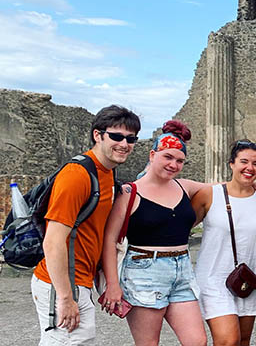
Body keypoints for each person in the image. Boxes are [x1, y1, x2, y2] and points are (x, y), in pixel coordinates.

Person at [30, 105, 140, 345]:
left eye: (131, 139)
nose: (125, 144)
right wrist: (66, 298)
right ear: (98, 135)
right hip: (62, 284)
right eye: (117, 136)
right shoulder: (77, 176)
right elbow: (53, 241)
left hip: (79, 281)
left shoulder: (108, 173)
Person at [100, 120, 207, 346]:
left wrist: (254, 186)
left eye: (179, 160)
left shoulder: (183, 186)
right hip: (144, 271)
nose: (173, 164)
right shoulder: (130, 192)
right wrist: (112, 284)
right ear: (152, 155)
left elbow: (225, 188)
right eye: (167, 157)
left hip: (182, 271)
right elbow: (109, 240)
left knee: (196, 341)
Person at [190, 140, 256, 346]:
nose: (250, 168)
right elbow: (182, 225)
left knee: (243, 340)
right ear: (231, 163)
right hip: (214, 278)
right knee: (228, 340)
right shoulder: (209, 194)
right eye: (244, 161)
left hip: (246, 279)